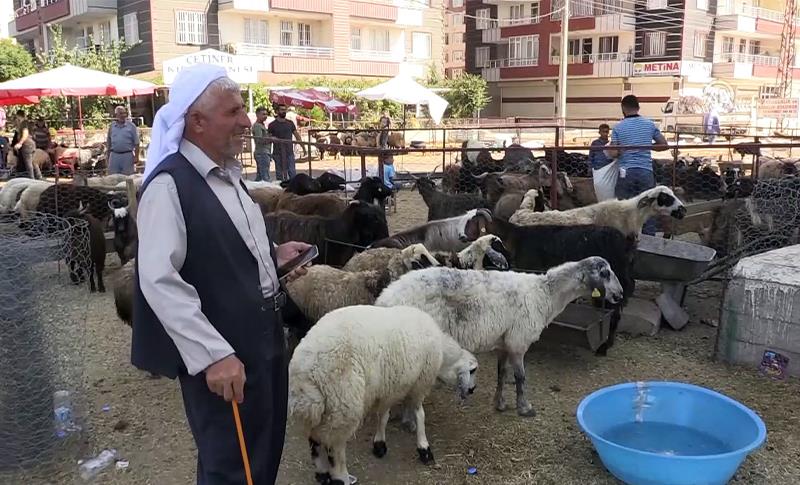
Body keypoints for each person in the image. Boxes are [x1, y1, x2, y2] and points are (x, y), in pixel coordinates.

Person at [132, 64, 311, 485]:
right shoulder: (169, 186)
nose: (246, 121)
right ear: (197, 121)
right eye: (233, 112)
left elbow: (225, 246)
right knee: (233, 466)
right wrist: (212, 354)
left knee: (262, 451)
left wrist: (274, 256)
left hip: (263, 337)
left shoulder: (227, 175)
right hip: (225, 350)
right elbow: (159, 280)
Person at [605, 95, 669, 235]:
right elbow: (664, 145)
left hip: (626, 173)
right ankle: (649, 242)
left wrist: (616, 150)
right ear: (638, 107)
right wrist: (647, 145)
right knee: (648, 207)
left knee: (623, 208)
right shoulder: (649, 124)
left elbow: (614, 153)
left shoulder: (618, 128)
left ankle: (623, 239)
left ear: (623, 108)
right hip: (646, 172)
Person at [267, 104, 305, 181]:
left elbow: (297, 136)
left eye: (285, 110)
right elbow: (268, 139)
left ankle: (293, 188)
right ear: (277, 111)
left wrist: (303, 147)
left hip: (289, 152)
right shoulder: (272, 125)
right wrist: (269, 151)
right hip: (277, 153)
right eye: (282, 110)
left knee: (292, 172)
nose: (284, 111)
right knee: (279, 173)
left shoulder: (290, 123)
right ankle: (281, 189)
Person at [107, 105, 140, 175]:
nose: (123, 115)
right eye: (120, 113)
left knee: (128, 178)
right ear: (116, 115)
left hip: (127, 156)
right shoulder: (112, 126)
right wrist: (107, 157)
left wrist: (136, 157)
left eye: (124, 113)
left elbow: (137, 143)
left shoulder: (131, 126)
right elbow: (109, 143)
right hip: (114, 156)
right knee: (112, 178)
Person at [589, 124, 617, 202]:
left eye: (607, 132)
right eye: (603, 132)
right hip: (597, 167)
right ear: (599, 132)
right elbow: (591, 156)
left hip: (607, 168)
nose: (605, 134)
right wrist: (590, 167)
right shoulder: (595, 143)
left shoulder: (610, 144)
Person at [11, 110, 40, 179]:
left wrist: (20, 143)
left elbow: (25, 133)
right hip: (31, 144)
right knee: (33, 161)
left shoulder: (24, 123)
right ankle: (39, 176)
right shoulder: (27, 123)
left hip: (26, 144)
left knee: (28, 163)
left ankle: (31, 178)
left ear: (18, 116)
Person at [251, 107, 272, 181]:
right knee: (265, 176)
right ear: (257, 115)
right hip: (262, 152)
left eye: (266, 114)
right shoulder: (257, 126)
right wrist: (270, 139)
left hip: (264, 151)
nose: (265, 116)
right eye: (263, 114)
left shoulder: (262, 125)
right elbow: (259, 140)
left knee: (260, 176)